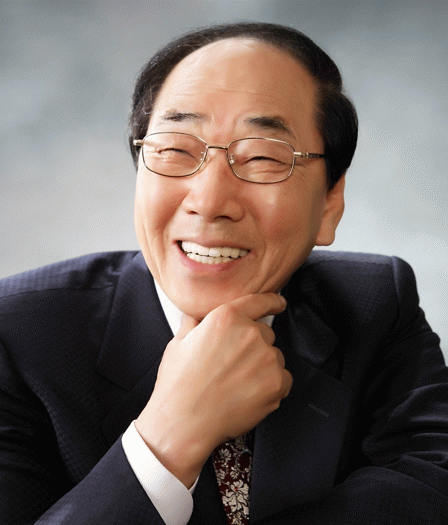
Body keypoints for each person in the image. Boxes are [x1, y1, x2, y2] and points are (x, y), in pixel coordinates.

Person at [0, 21, 447, 525]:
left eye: (262, 157)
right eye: (175, 150)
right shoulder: (17, 335)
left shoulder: (374, 304)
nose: (210, 201)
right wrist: (168, 437)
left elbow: (430, 491)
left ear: (329, 202)